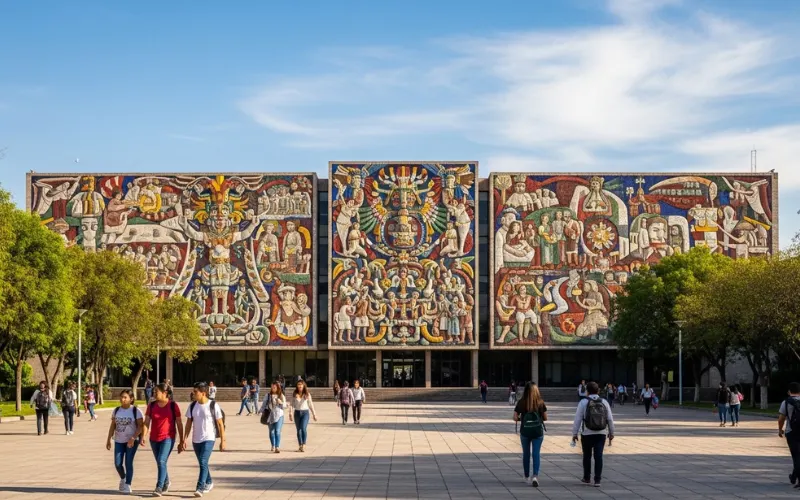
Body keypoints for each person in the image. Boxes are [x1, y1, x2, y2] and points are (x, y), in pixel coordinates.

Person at [182, 382, 226, 497]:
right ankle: (209, 482)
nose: (193, 393)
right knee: (203, 463)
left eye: (195, 391)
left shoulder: (213, 405)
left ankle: (200, 487)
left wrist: (223, 441)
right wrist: (184, 439)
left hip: (209, 438)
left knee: (202, 461)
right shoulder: (192, 406)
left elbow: (220, 424)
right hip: (196, 439)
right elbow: (188, 424)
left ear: (203, 393)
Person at [143, 384, 184, 497]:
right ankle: (166, 482)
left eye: (156, 391)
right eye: (154, 391)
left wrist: (181, 440)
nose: (154, 393)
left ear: (165, 393)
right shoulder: (151, 405)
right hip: (154, 439)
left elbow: (179, 423)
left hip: (168, 438)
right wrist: (143, 436)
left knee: (161, 461)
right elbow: (146, 422)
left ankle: (159, 487)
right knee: (160, 462)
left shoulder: (173, 405)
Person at [572, 381, 615, 488]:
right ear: (598, 390)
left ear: (587, 391)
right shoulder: (604, 402)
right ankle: (597, 480)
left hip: (587, 433)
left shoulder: (583, 402)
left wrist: (574, 433)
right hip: (601, 433)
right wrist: (611, 432)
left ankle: (587, 477)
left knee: (587, 456)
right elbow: (610, 419)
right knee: (598, 456)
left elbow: (578, 419)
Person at [106, 389, 144, 495]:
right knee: (118, 463)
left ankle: (128, 484)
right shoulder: (116, 410)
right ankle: (123, 478)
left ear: (131, 399)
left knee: (128, 462)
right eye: (121, 397)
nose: (122, 399)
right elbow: (113, 425)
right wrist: (108, 439)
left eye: (125, 397)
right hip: (119, 440)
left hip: (131, 441)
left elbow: (140, 426)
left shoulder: (136, 411)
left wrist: (134, 438)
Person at [513, 382, 548, 487]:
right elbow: (545, 418)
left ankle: (526, 475)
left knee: (526, 454)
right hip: (537, 431)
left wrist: (522, 419)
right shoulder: (540, 402)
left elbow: (515, 417)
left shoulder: (522, 402)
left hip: (525, 431)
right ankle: (535, 476)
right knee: (536, 454)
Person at [779, 382, 800, 487]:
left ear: (789, 391)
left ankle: (796, 478)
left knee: (796, 456)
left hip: (791, 432)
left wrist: (780, 430)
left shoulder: (786, 402)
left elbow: (781, 418)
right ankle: (794, 477)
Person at [288, 379, 317, 452]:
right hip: (297, 413)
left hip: (305, 413)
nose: (300, 386)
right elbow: (291, 404)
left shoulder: (307, 394)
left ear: (304, 385)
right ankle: (300, 445)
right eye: (298, 384)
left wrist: (314, 414)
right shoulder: (294, 394)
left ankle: (304, 443)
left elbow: (310, 404)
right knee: (298, 430)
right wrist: (290, 413)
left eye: (301, 384)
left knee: (303, 428)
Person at [261, 381, 287, 453]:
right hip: (270, 415)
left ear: (278, 388)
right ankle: (273, 445)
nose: (273, 388)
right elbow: (264, 404)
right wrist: (261, 411)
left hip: (279, 415)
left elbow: (285, 405)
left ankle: (277, 447)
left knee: (277, 431)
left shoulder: (281, 395)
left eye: (274, 387)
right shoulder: (268, 395)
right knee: (271, 431)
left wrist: (281, 402)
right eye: (272, 387)